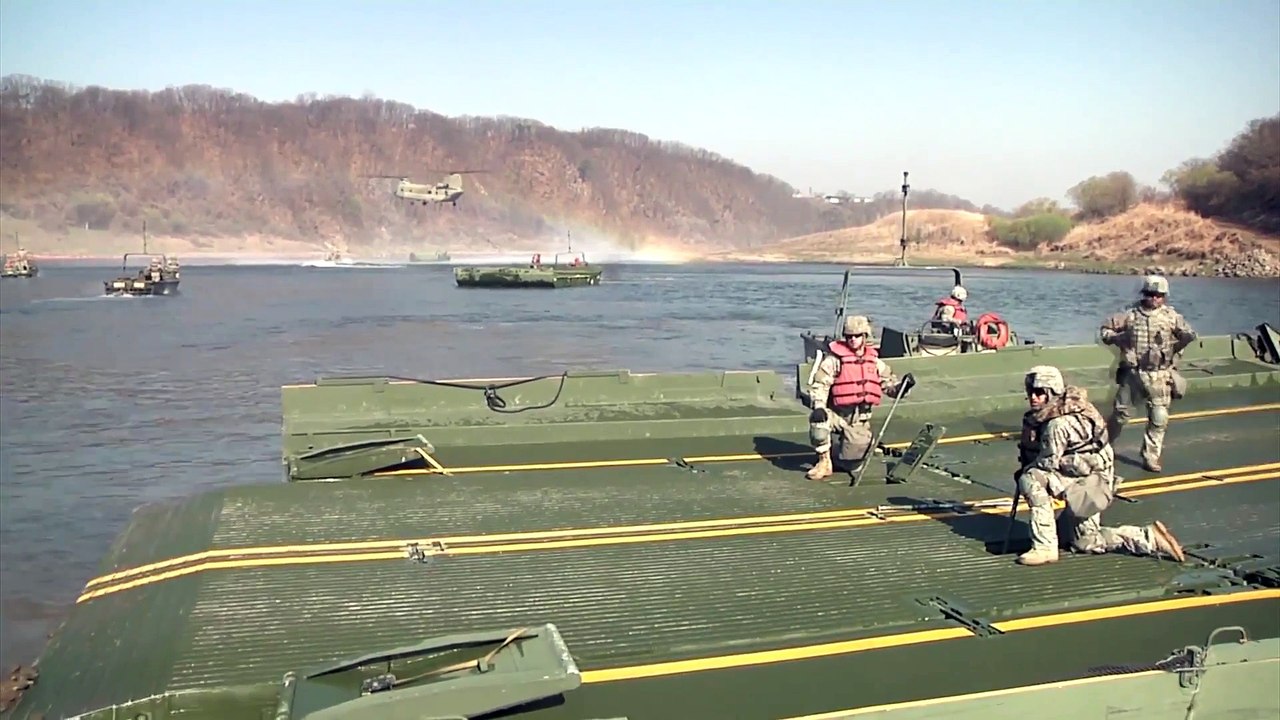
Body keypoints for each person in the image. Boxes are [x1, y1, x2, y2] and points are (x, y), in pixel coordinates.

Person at [1014, 365, 1186, 566]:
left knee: (1031, 478)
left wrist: (1025, 469)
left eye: (1039, 392)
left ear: (1052, 392)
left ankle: (1044, 547)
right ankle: (1147, 538)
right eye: (1031, 392)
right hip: (1085, 474)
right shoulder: (1067, 407)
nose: (1034, 397)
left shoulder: (1057, 424)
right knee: (1084, 541)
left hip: (1088, 480)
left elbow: (1046, 464)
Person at [1099, 275, 1197, 472]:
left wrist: (1184, 339)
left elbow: (1187, 334)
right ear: (1144, 294)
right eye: (1151, 294)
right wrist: (1117, 338)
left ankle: (1150, 456)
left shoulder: (1172, 317)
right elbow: (1104, 331)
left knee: (1159, 418)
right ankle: (1103, 448)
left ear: (1164, 297)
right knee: (1120, 415)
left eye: (1159, 295)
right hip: (1133, 375)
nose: (1154, 299)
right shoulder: (1129, 315)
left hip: (1159, 376)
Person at [805, 315, 910, 481]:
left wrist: (902, 387)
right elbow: (820, 386)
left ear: (865, 336)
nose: (853, 340)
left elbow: (889, 387)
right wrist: (819, 407)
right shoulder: (834, 360)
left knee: (852, 462)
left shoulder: (874, 362)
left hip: (859, 421)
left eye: (857, 336)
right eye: (849, 336)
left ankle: (840, 455)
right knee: (819, 422)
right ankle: (824, 462)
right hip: (837, 415)